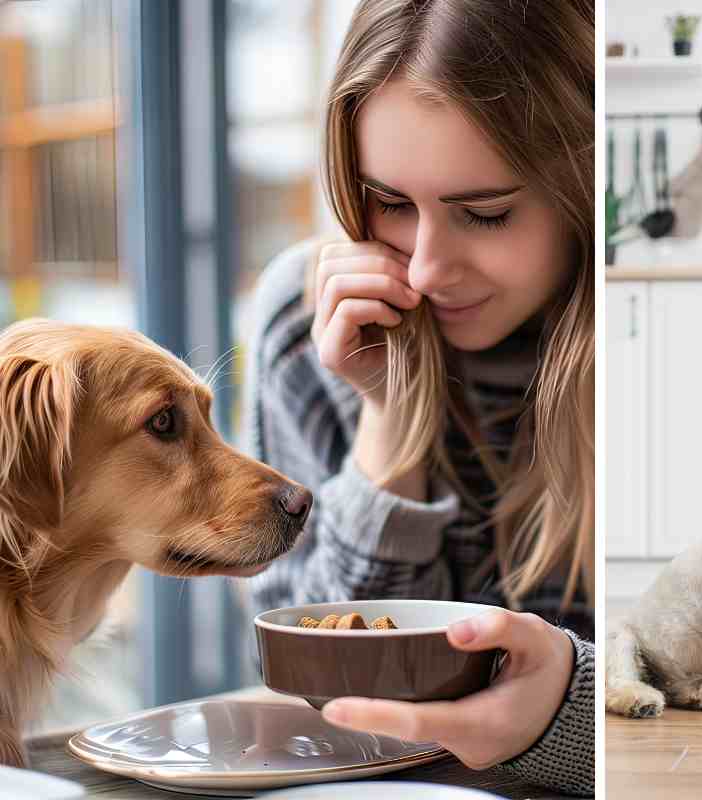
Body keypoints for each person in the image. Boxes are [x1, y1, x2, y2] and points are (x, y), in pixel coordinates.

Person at [243, 0, 595, 793]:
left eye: (485, 214)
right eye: (391, 203)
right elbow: (320, 704)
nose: (429, 270)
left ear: (582, 182)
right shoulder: (310, 324)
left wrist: (566, 713)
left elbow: (700, 716)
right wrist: (390, 423)